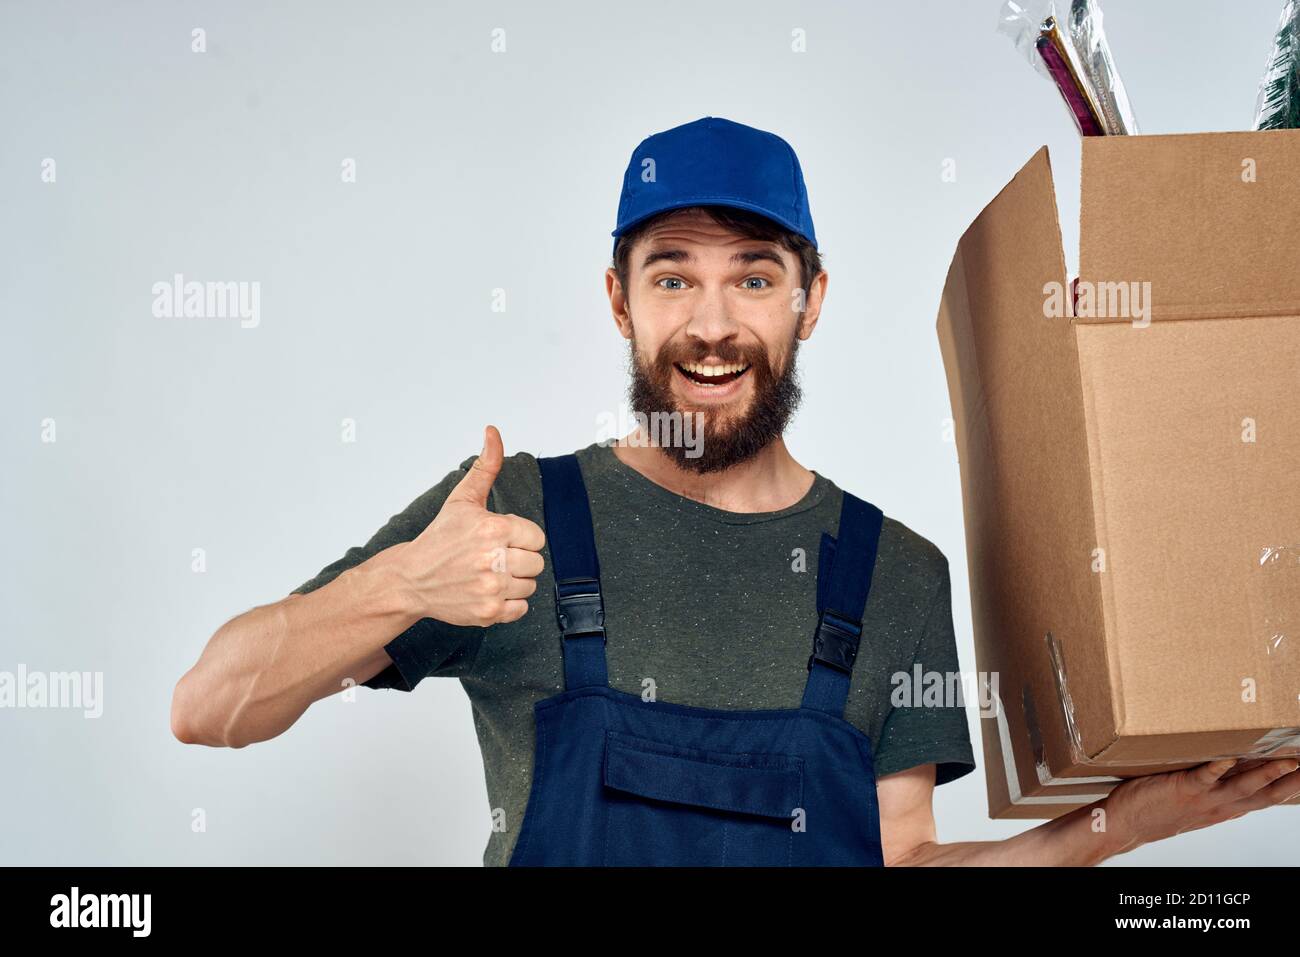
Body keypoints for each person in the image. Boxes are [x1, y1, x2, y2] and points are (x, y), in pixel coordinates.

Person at [171, 117, 1300, 866]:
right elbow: (211, 707)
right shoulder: (509, 515)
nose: (712, 325)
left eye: (753, 277)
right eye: (673, 276)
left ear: (810, 301)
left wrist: (1124, 821)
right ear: (620, 301)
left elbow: (900, 860)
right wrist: (399, 582)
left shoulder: (896, 571)